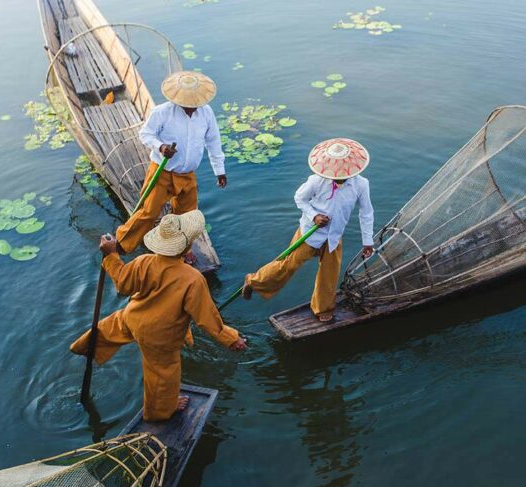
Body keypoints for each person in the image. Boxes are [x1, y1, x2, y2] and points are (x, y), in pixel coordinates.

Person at [71, 210, 246, 421]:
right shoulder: (192, 279)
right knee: (163, 373)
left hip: (132, 317)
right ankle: (161, 410)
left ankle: (85, 346)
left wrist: (111, 255)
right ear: (187, 247)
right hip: (159, 336)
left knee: (111, 327)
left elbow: (123, 283)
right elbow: (207, 319)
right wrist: (230, 338)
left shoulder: (144, 261)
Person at [242, 138, 375, 323]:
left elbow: (366, 212)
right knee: (287, 265)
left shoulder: (361, 184)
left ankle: (322, 308)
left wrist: (367, 240)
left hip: (334, 236)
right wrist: (315, 216)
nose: (338, 178)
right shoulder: (317, 180)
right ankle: (254, 281)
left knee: (329, 275)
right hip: (309, 233)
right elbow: (299, 198)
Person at [116, 71, 227, 261]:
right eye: (187, 103)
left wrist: (220, 171)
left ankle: (181, 250)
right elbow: (145, 134)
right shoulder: (162, 112)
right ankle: (120, 245)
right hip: (163, 172)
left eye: (195, 103)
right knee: (148, 211)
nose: (191, 107)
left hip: (187, 174)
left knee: (187, 215)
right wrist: (161, 146)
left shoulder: (206, 113)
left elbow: (213, 142)